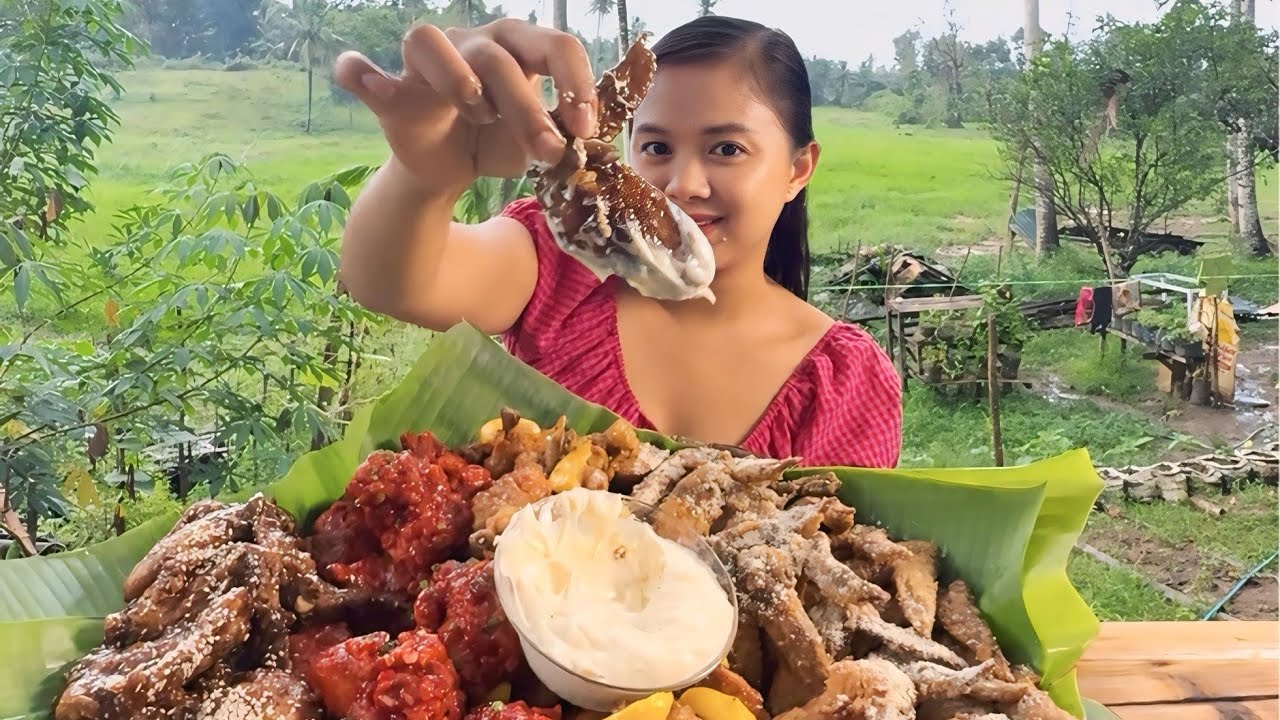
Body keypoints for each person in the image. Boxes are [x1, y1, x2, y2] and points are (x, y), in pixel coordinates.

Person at [333, 15, 903, 468]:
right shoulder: (561, 262)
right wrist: (426, 175)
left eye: (726, 149)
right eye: (655, 148)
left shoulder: (847, 382)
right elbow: (394, 283)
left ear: (798, 169)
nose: (683, 184)